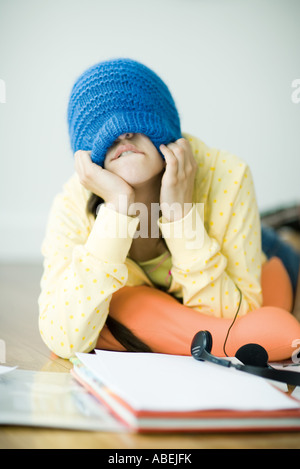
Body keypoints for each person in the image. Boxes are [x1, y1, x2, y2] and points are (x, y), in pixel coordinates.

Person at [38, 58, 300, 360]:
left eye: (135, 119)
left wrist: (180, 214)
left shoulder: (227, 174)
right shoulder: (71, 205)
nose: (122, 135)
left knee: (286, 250)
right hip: (198, 256)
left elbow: (234, 318)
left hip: (258, 248)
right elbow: (63, 338)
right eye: (103, 129)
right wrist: (118, 209)